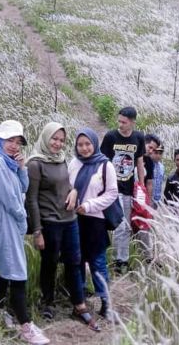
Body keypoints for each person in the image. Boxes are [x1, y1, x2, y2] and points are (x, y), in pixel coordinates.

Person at [0, 120, 50, 345]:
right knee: (18, 274)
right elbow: (11, 200)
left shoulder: (7, 162)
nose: (14, 145)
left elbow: (23, 187)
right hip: (5, 224)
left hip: (3, 223)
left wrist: (21, 168)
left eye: (17, 141)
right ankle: (25, 327)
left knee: (4, 269)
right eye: (9, 140)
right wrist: (23, 220)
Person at [26, 122, 99, 332]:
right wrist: (37, 231)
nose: (57, 144)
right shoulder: (35, 164)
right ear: (45, 138)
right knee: (49, 263)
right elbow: (31, 200)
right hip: (50, 222)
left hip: (70, 220)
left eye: (61, 140)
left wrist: (74, 191)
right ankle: (47, 303)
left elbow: (66, 185)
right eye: (54, 139)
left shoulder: (61, 160)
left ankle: (79, 305)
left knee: (74, 262)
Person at [69, 127, 119, 320]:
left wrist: (89, 205)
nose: (84, 148)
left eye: (87, 144)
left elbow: (112, 193)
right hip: (74, 220)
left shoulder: (105, 165)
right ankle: (80, 299)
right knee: (77, 259)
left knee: (98, 261)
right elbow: (67, 185)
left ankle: (106, 304)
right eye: (80, 145)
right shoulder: (74, 163)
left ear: (94, 144)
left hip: (95, 220)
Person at [100, 107, 145, 274]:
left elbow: (139, 162)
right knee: (117, 225)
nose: (120, 125)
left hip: (129, 187)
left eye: (124, 122)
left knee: (125, 226)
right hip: (113, 188)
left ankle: (122, 260)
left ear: (133, 122)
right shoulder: (111, 137)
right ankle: (116, 259)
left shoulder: (138, 138)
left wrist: (140, 186)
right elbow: (103, 162)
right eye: (119, 121)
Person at [143, 134, 166, 208]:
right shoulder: (147, 161)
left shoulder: (162, 167)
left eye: (160, 153)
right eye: (156, 153)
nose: (158, 156)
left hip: (157, 199)